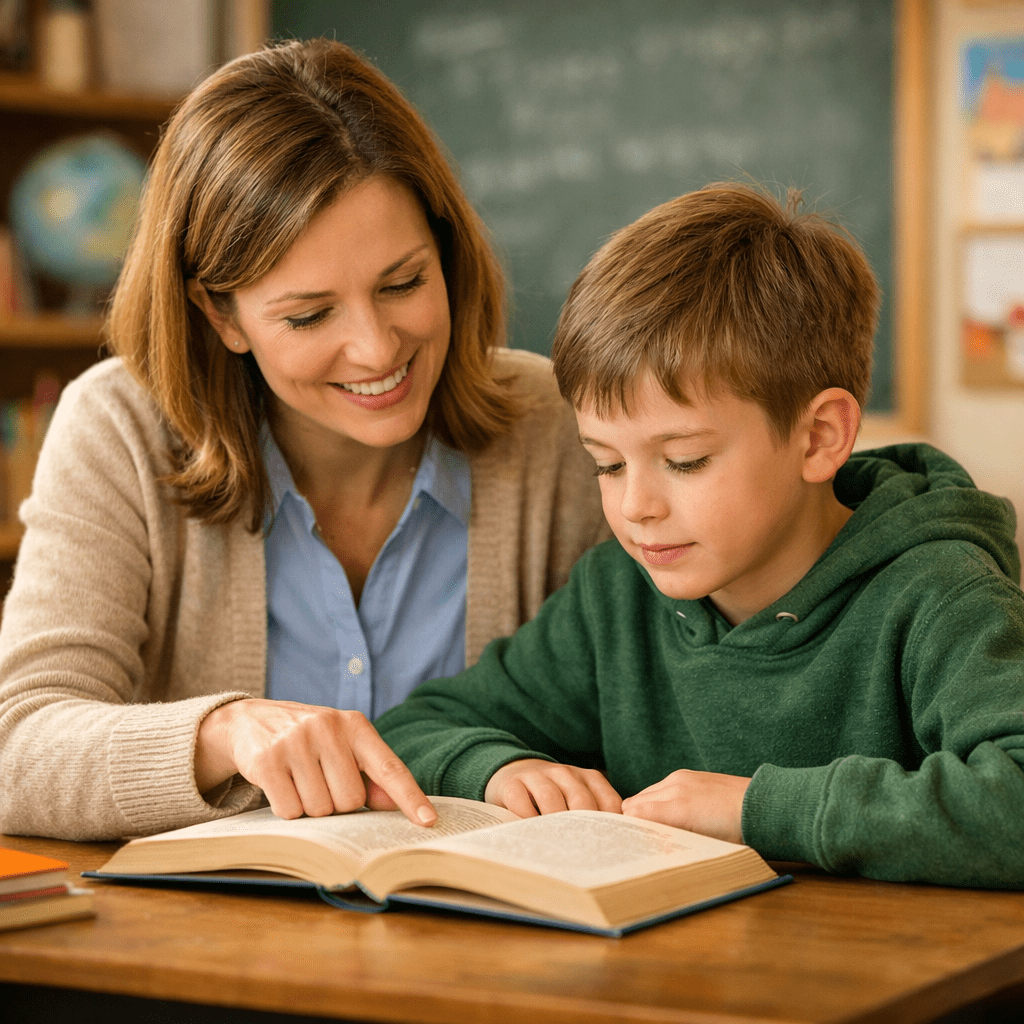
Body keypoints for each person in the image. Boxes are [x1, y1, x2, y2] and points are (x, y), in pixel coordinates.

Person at [0, 39, 607, 842]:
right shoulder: (120, 430)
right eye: (309, 314)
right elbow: (17, 753)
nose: (377, 349)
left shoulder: (558, 425)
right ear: (221, 315)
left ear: (447, 253)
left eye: (404, 283)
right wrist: (222, 735)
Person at [376, 183, 1024, 887]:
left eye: (684, 461)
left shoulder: (938, 592)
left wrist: (757, 808)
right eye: (607, 463)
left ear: (819, 436)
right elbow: (414, 729)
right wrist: (498, 768)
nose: (636, 505)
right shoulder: (615, 599)